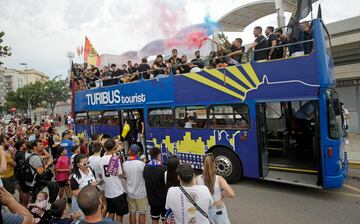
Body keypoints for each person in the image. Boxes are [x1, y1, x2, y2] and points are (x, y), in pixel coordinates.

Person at [198, 154, 235, 223]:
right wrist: (221, 195)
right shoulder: (219, 179)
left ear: (203, 164)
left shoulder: (197, 179)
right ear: (214, 164)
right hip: (218, 209)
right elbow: (231, 194)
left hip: (204, 210)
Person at [98, 139, 128, 223]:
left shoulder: (101, 159)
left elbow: (101, 175)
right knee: (119, 214)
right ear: (114, 147)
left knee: (111, 212)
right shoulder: (115, 159)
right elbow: (120, 174)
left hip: (108, 192)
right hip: (117, 191)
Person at [123, 144, 147, 224]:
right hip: (141, 193)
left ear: (129, 151)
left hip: (130, 192)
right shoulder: (141, 164)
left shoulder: (125, 164)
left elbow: (124, 176)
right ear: (138, 153)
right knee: (142, 213)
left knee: (132, 213)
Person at [143, 147, 167, 223]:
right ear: (159, 155)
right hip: (163, 199)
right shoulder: (163, 168)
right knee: (165, 219)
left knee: (154, 219)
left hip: (152, 199)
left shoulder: (146, 167)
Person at [14, 139, 31, 206]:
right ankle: (25, 206)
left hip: (20, 175)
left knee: (22, 191)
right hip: (22, 176)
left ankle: (22, 204)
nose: (25, 145)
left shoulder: (18, 153)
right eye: (24, 144)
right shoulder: (21, 154)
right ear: (21, 146)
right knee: (24, 191)